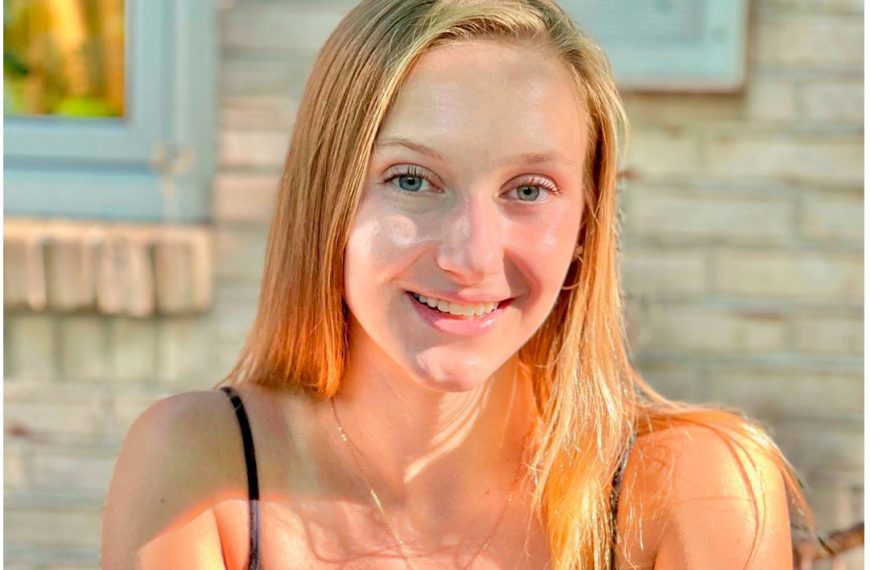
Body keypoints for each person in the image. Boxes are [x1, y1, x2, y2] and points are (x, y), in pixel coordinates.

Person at [102, 0, 817, 568]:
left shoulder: (695, 488)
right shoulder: (201, 468)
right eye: (412, 180)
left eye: (529, 189)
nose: (473, 256)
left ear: (586, 226)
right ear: (328, 199)